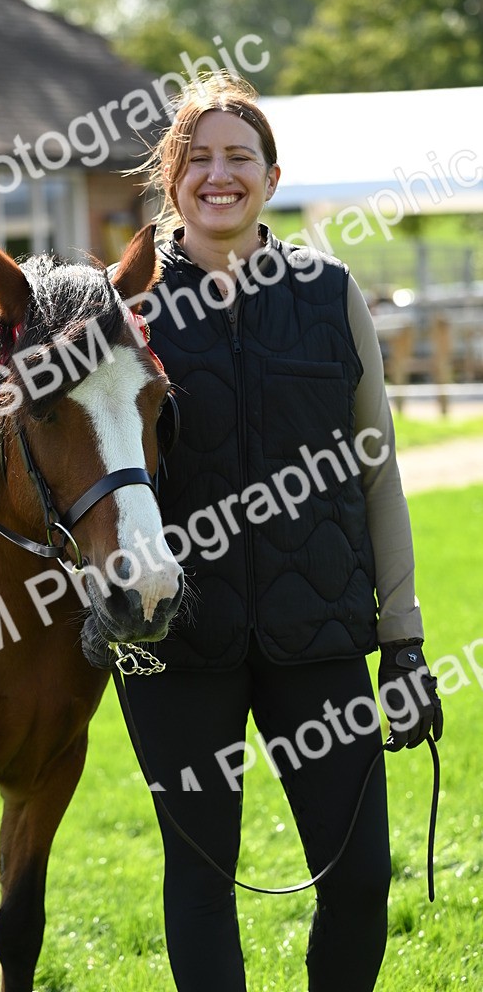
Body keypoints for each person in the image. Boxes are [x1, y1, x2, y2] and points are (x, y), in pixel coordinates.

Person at [81, 71, 443, 991]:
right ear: (172, 182)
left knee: (359, 879)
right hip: (176, 645)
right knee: (200, 882)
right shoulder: (122, 311)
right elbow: (73, 471)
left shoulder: (329, 293)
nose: (219, 175)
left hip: (318, 638)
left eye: (239, 157)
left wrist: (400, 639)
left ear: (272, 178)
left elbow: (378, 470)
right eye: (197, 160)